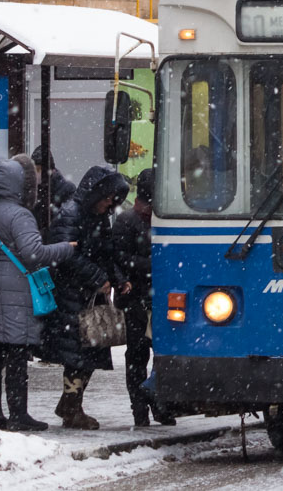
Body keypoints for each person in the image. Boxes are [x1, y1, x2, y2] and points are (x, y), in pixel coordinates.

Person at [0, 155, 75, 430]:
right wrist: (67, 248)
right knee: (17, 354)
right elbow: (34, 254)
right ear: (20, 184)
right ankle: (19, 415)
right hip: (15, 289)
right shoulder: (20, 215)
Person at [37, 164, 130, 429]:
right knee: (78, 355)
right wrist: (97, 277)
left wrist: (118, 277)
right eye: (107, 198)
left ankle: (70, 403)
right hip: (71, 294)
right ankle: (71, 408)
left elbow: (106, 251)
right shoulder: (71, 214)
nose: (110, 204)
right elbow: (66, 255)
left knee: (88, 353)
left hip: (86, 294)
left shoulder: (95, 216)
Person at [112, 167, 173, 427]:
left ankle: (156, 404)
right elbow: (120, 258)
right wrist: (154, 264)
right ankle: (143, 407)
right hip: (139, 297)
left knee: (154, 355)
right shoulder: (128, 221)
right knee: (141, 355)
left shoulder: (157, 220)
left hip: (151, 298)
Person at [31, 145, 76, 213]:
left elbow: (67, 217)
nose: (36, 173)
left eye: (39, 169)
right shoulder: (32, 189)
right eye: (34, 169)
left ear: (51, 170)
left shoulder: (67, 189)